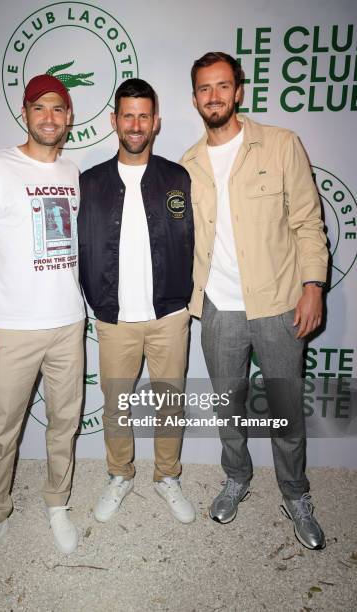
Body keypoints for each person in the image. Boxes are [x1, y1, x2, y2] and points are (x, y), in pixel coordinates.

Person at [180, 52, 329, 549]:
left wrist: (313, 285)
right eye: (205, 88)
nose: (214, 96)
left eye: (223, 86)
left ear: (239, 91)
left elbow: (308, 221)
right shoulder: (189, 164)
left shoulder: (281, 144)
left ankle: (295, 492)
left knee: (285, 409)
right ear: (195, 97)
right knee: (229, 407)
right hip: (218, 308)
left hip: (278, 303)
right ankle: (237, 477)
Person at [0, 74, 85, 573]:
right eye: (40, 108)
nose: (49, 117)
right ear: (25, 113)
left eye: (58, 109)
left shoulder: (73, 172)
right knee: (2, 430)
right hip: (10, 327)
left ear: (68, 117)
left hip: (68, 323)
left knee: (64, 423)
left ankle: (57, 502)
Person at [78, 78, 195, 524]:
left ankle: (167, 476)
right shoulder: (89, 183)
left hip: (168, 314)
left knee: (170, 400)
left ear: (156, 122)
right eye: (127, 115)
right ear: (114, 120)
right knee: (116, 404)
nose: (135, 124)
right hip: (114, 318)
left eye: (144, 115)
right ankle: (119, 475)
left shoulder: (176, 177)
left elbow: (195, 240)